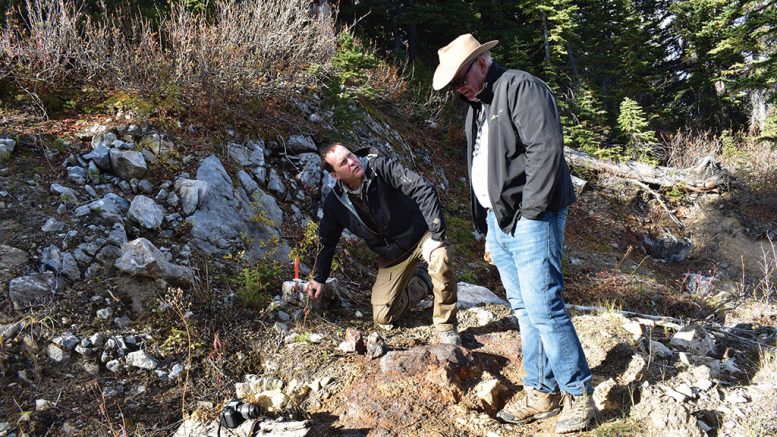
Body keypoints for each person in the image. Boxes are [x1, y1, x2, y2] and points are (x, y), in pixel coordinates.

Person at [432, 34, 595, 433]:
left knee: (544, 306)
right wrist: (488, 227)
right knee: (523, 309)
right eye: (452, 84)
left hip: (533, 216)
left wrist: (533, 214)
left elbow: (545, 150)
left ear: (481, 63)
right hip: (499, 220)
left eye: (461, 79)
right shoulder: (476, 105)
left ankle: (579, 395)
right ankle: (541, 391)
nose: (459, 88)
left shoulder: (520, 87)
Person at [306, 142, 460, 345]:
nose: (353, 162)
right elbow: (327, 240)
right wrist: (318, 277)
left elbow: (423, 188)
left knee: (440, 257)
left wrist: (436, 235)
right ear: (335, 175)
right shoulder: (335, 203)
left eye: (351, 155)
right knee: (383, 316)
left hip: (421, 237)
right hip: (392, 256)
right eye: (344, 162)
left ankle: (446, 326)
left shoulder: (380, 167)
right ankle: (423, 282)